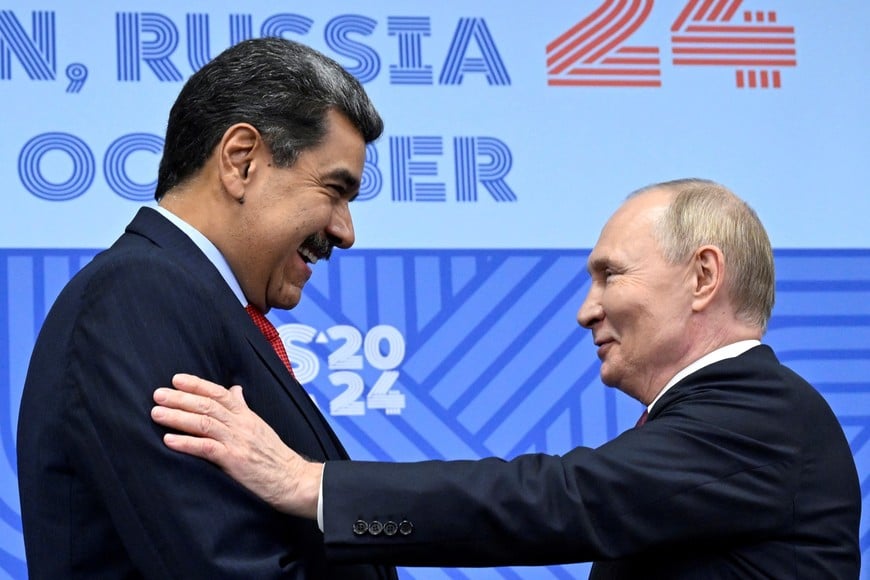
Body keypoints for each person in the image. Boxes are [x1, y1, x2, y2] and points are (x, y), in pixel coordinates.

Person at [150, 178, 861, 578]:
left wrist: (313, 487)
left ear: (703, 276)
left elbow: (559, 500)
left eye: (609, 274)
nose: (587, 311)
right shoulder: (732, 420)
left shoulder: (762, 415)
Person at [16, 37, 397, 579]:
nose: (345, 231)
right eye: (335, 190)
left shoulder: (187, 299)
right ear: (241, 161)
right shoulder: (137, 295)